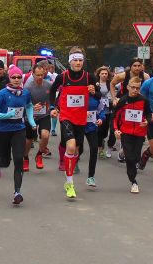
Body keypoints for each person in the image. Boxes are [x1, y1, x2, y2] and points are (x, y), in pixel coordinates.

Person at [49, 46, 99, 199]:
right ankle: (70, 184)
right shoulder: (63, 77)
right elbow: (52, 91)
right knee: (71, 146)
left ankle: (66, 160)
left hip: (81, 118)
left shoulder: (89, 77)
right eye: (75, 60)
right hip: (66, 116)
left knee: (76, 151)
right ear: (70, 62)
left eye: (80, 60)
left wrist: (93, 92)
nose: (78, 63)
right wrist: (53, 107)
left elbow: (99, 96)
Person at [0, 65, 36, 204]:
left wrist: (32, 121)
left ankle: (17, 192)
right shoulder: (2, 94)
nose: (16, 79)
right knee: (5, 162)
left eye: (19, 77)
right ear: (9, 78)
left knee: (18, 160)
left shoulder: (25, 93)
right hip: (3, 130)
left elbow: (29, 107)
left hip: (19, 129)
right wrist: (7, 115)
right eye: (13, 77)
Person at [113, 77, 152, 193]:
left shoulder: (144, 100)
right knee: (130, 158)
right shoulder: (123, 100)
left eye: (138, 88)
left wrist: (147, 121)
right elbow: (114, 116)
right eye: (133, 87)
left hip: (139, 133)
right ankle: (133, 181)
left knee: (136, 157)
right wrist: (116, 130)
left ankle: (124, 152)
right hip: (126, 132)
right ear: (128, 87)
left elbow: (148, 114)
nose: (135, 90)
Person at [24, 63, 52, 170]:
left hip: (44, 115)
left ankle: (39, 154)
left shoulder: (48, 85)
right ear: (33, 74)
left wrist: (52, 108)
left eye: (42, 75)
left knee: (45, 135)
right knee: (29, 140)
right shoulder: (28, 86)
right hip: (31, 116)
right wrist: (31, 106)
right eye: (38, 75)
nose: (40, 77)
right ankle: (25, 157)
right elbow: (24, 103)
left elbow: (52, 99)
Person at [83, 87, 107, 188]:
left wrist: (101, 118)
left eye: (92, 86)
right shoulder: (79, 95)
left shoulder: (97, 97)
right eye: (89, 86)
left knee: (93, 148)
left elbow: (102, 110)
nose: (91, 88)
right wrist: (82, 113)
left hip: (91, 126)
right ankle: (72, 164)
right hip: (78, 125)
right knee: (77, 149)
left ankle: (90, 177)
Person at [94, 66, 114, 160]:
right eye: (102, 73)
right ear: (99, 74)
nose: (104, 75)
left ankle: (102, 140)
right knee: (99, 131)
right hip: (98, 110)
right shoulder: (95, 83)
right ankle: (100, 149)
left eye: (106, 73)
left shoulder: (110, 83)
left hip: (107, 110)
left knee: (105, 132)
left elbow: (116, 91)